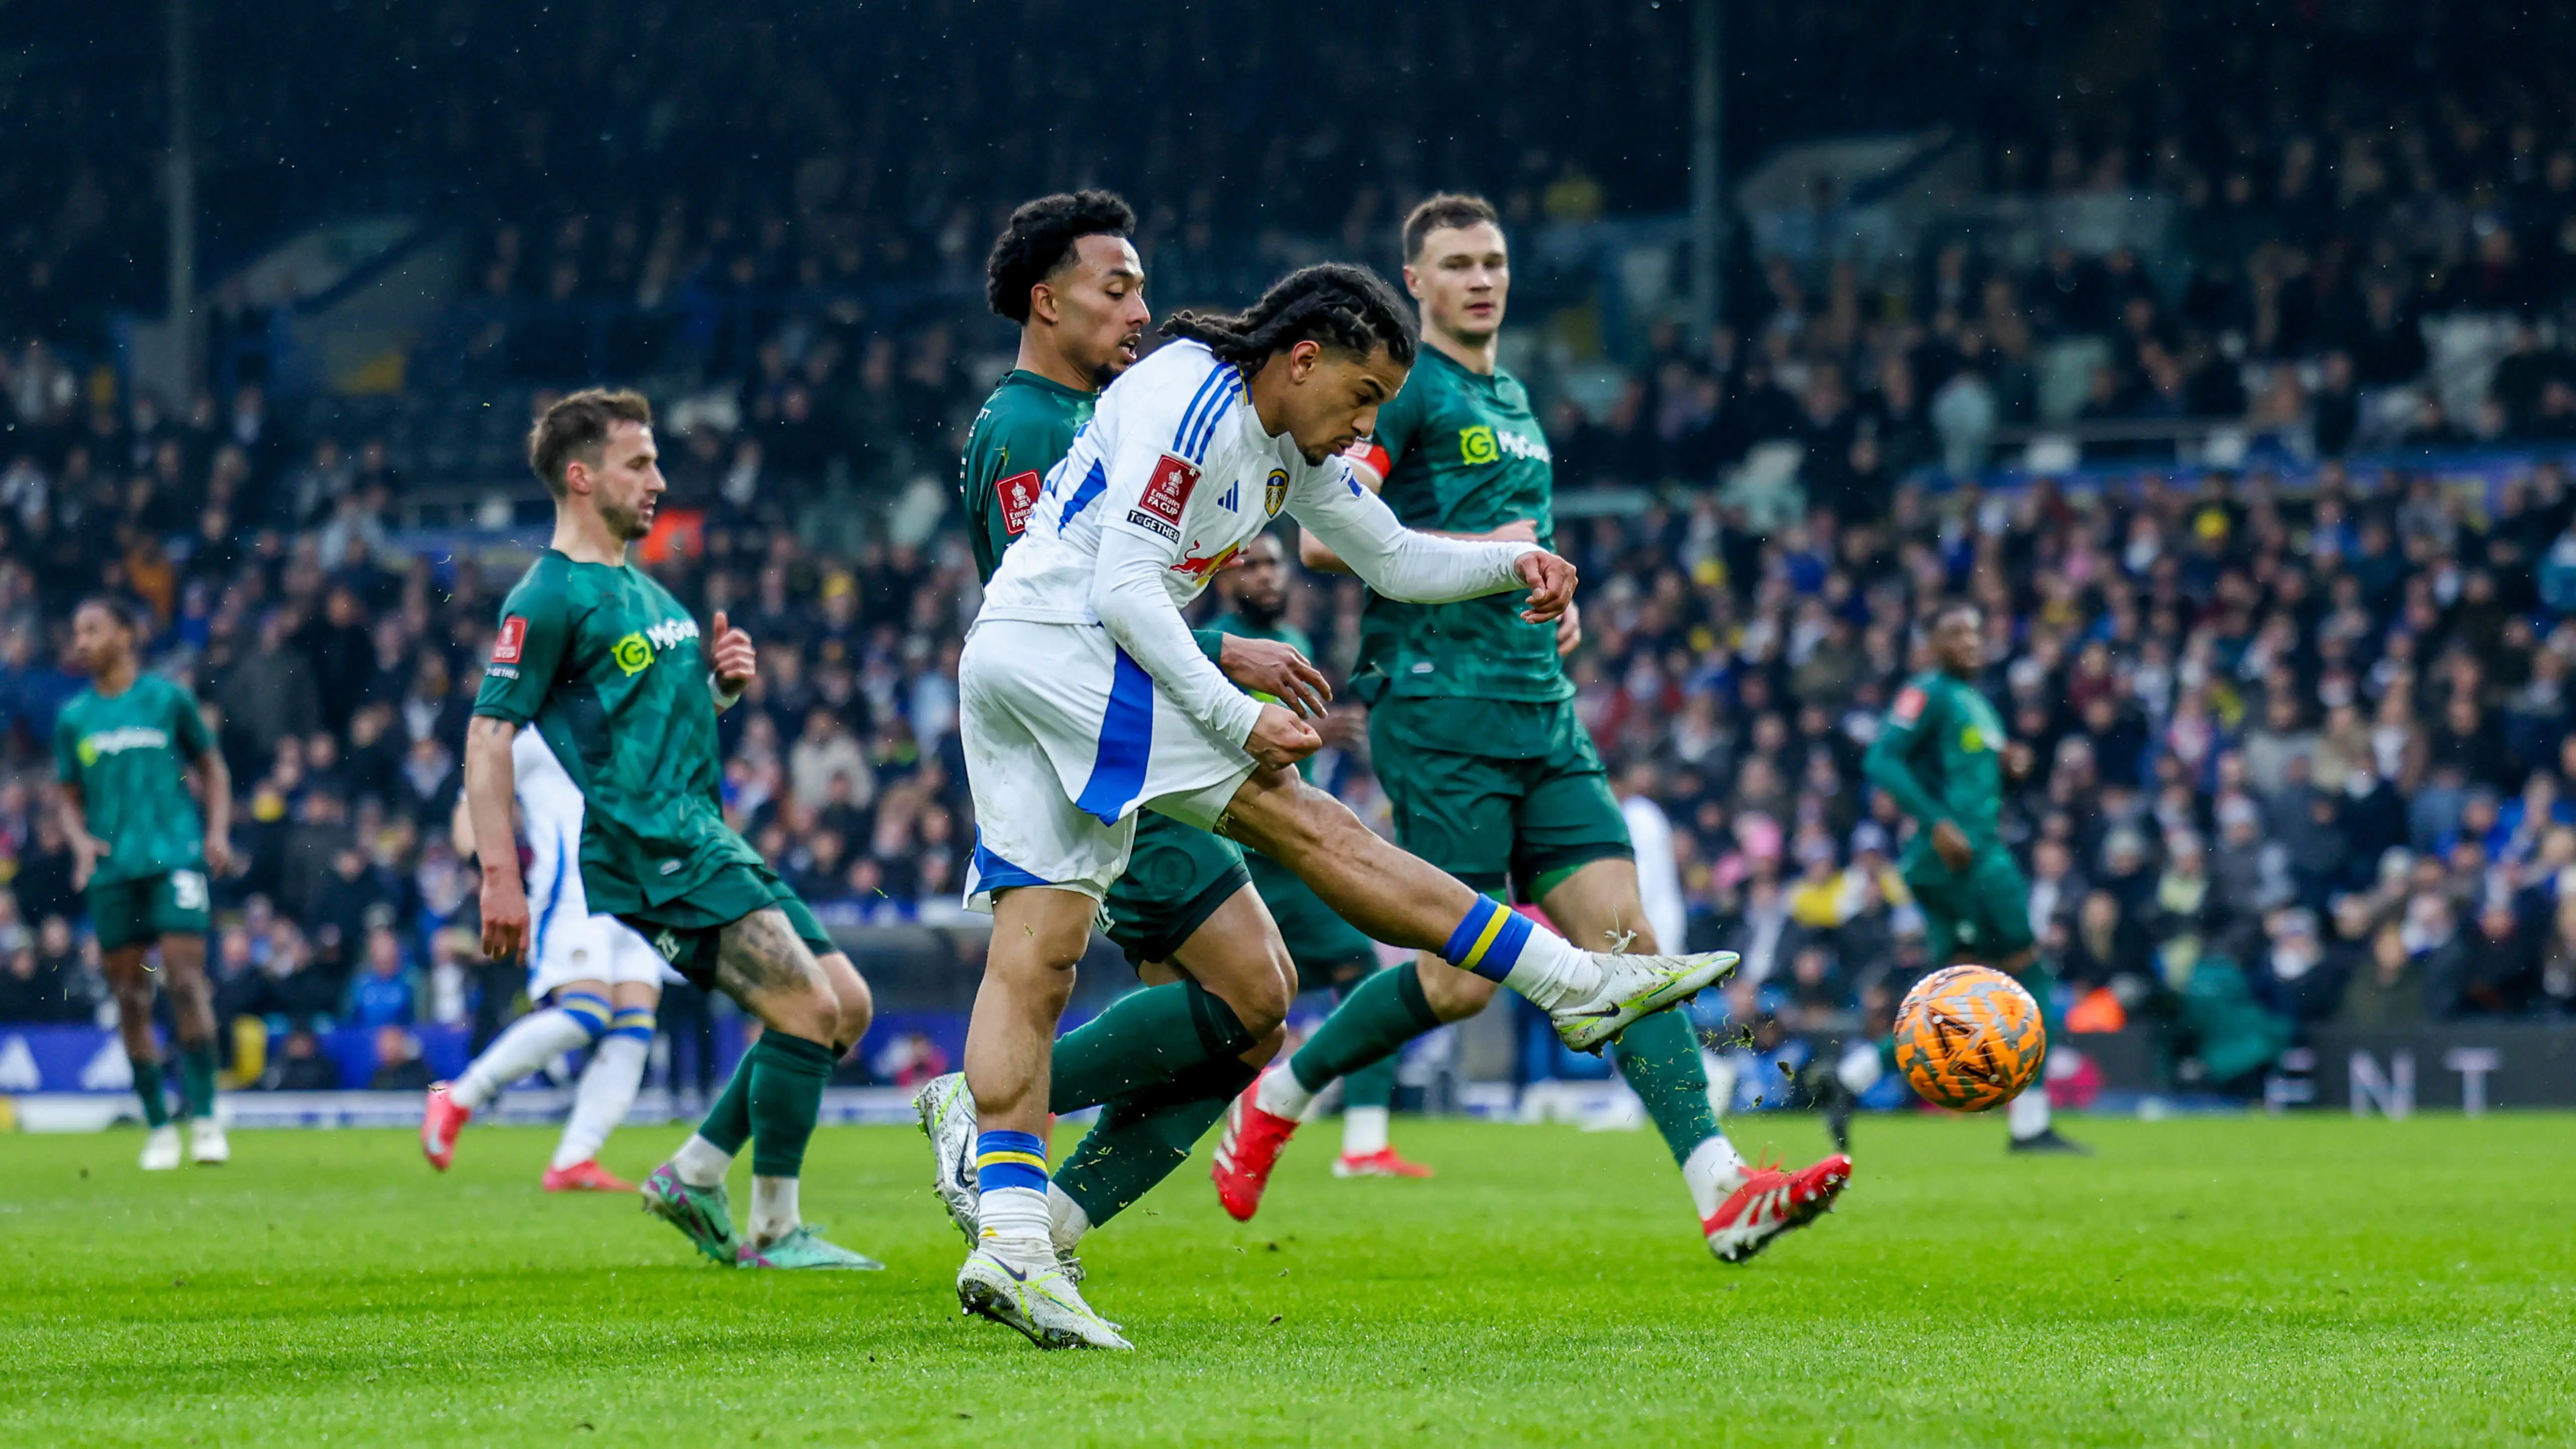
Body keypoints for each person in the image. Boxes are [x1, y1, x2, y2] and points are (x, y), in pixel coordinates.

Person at [944, 259, 1738, 1348]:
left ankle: (1014, 1240)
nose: (1368, 422)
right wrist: (1231, 718)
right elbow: (1125, 584)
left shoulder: (1287, 443)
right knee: (1312, 822)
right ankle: (1573, 982)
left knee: (1034, 958)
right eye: (1362, 397)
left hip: (1008, 655)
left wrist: (1511, 568)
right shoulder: (1194, 397)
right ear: (1302, 359)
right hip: (1069, 645)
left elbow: (1397, 557)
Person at [1216, 194, 1849, 1264]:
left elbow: (1529, 546)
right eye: (1456, 263)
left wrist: (1560, 601)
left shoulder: (1514, 397)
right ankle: (1280, 1090)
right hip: (1439, 707)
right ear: (1412, 282)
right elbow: (1328, 545)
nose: (1481, 279)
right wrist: (1482, 543)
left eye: (1494, 261)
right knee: (1460, 978)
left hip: (1542, 713)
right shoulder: (1404, 390)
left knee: (1631, 952)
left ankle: (1723, 1188)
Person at [919, 192, 1366, 1286]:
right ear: (1045, 299)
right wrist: (1224, 648)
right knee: (1253, 994)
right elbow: (1059, 616)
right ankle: (981, 1109)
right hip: (1103, 744)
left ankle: (1043, 1219)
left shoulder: (1114, 413)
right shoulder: (1031, 425)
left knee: (1249, 1018)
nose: (1140, 307)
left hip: (1145, 726)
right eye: (1114, 287)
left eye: (1141, 286)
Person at [468, 388, 880, 1270]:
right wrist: (498, 875)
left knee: (847, 1010)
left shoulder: (644, 589)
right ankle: (774, 1228)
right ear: (581, 478)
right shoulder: (545, 598)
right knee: (808, 1010)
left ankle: (695, 1172)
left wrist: (723, 687)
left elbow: (672, 719)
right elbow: (488, 734)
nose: (659, 479)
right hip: (651, 846)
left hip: (706, 832)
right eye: (640, 463)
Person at [1207, 533, 1429, 1178]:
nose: (1270, 575)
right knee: (1354, 980)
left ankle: (1358, 1140)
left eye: (1276, 563)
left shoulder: (1292, 643)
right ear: (1222, 577)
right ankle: (1357, 1141)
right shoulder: (1217, 647)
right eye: (1251, 563)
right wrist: (1317, 735)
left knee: (1234, 1002)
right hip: (1247, 850)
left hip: (1285, 850)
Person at [1833, 600, 2086, 1154]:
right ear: (1933, 645)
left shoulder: (1976, 702)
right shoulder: (1928, 692)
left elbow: (1964, 771)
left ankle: (1850, 1074)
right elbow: (1881, 759)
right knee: (2031, 976)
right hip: (1967, 859)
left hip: (1957, 858)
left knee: (1946, 993)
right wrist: (1936, 821)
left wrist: (2008, 766)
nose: (1972, 640)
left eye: (1976, 629)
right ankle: (2031, 1125)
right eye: (1956, 632)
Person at [420, 722, 668, 1193]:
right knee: (585, 1015)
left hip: (636, 897)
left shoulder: (635, 718)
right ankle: (456, 1098)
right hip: (574, 896)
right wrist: (494, 877)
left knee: (636, 1026)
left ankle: (575, 1157)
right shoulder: (537, 736)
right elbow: (469, 808)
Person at [54, 597, 234, 1170]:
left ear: (127, 635)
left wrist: (218, 830)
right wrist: (81, 842)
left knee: (185, 982)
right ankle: (158, 1125)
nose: (81, 640)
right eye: (77, 631)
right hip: (113, 869)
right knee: (131, 998)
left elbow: (213, 766)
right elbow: (66, 797)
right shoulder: (74, 717)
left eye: (93, 628)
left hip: (175, 857)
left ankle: (204, 1117)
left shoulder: (167, 698)